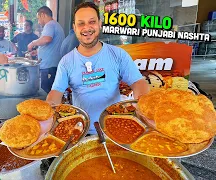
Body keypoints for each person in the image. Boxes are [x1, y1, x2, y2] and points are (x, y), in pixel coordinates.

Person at [46, 2, 149, 134]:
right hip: (81, 130)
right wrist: (48, 108)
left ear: (100, 24)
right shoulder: (66, 62)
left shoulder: (118, 54)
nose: (86, 28)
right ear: (74, 27)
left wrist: (143, 103)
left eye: (92, 22)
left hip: (114, 127)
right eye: (81, 23)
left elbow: (138, 82)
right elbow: (56, 92)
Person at [28, 6, 65, 93]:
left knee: (46, 93)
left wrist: (32, 43)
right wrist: (37, 51)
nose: (38, 21)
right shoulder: (56, 25)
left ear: (43, 15)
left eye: (38, 18)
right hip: (52, 66)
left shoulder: (50, 25)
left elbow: (47, 39)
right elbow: (52, 46)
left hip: (49, 66)